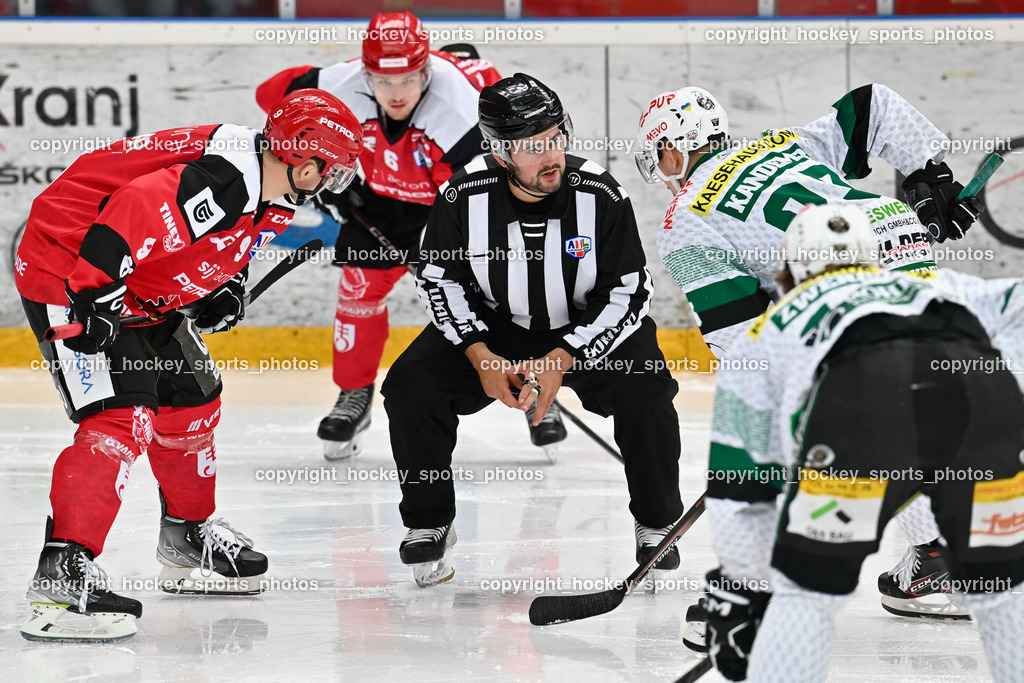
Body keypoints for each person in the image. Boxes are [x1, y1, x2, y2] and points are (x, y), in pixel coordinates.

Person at [633, 83, 986, 633]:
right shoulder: (787, 144)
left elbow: (739, 336)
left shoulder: (687, 219)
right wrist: (927, 173)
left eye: (660, 153)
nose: (662, 167)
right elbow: (873, 105)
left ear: (677, 148)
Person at [14, 89, 363, 641]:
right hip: (73, 266)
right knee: (120, 418)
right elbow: (131, 213)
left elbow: (204, 240)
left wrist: (220, 286)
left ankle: (186, 537)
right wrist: (94, 297)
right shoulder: (226, 178)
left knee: (193, 400)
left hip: (128, 276)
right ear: (303, 155)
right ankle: (62, 575)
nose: (333, 184)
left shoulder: (268, 187)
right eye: (333, 171)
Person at [380, 73, 685, 587]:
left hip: (586, 328)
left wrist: (562, 358)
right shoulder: (462, 197)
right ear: (500, 153)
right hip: (493, 329)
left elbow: (629, 290)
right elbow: (439, 281)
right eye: (532, 147)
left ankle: (656, 521)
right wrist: (480, 355)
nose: (551, 156)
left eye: (556, 137)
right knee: (411, 387)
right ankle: (430, 521)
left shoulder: (601, 195)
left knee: (646, 385)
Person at [700, 203, 1024, 682]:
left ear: (791, 267)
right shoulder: (934, 285)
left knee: (806, 596)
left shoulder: (767, 330)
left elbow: (741, 479)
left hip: (862, 407)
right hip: (983, 403)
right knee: (1002, 591)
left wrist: (746, 584)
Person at [256, 12, 567, 460]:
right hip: (376, 201)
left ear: (428, 70)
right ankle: (355, 395)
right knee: (359, 292)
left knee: (502, 294)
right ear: (364, 73)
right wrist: (330, 179)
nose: (395, 93)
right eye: (382, 81)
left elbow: (481, 196)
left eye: (407, 79)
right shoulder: (335, 85)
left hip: (450, 199)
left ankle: (532, 385)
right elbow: (270, 98)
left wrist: (447, 250)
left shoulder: (460, 112)